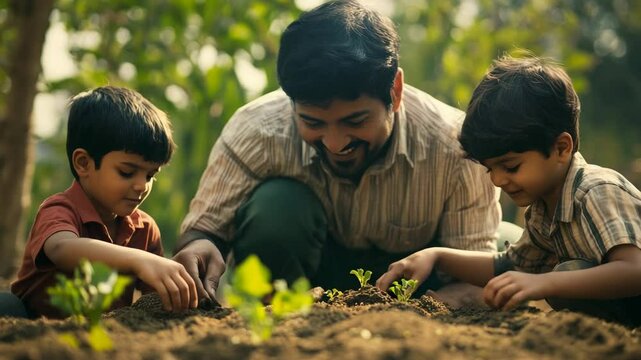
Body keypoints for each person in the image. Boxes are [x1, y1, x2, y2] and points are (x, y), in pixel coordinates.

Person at [173, 0, 502, 306]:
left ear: (395, 92)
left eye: (355, 120)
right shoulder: (257, 131)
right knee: (276, 206)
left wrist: (419, 314)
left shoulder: (454, 147)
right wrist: (199, 247)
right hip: (301, 286)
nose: (334, 142)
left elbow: (473, 275)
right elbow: (204, 231)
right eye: (313, 122)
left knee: (510, 250)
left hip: (416, 291)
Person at [376, 55, 641, 324]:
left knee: (571, 271)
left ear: (561, 148)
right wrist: (437, 256)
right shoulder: (543, 209)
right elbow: (509, 266)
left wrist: (547, 282)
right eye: (490, 169)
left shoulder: (596, 191)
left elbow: (635, 271)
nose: (497, 181)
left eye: (511, 167)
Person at [0, 86, 197, 318]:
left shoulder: (145, 229)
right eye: (127, 172)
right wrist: (139, 260)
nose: (142, 185)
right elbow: (61, 248)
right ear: (83, 163)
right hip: (34, 323)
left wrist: (182, 281)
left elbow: (154, 297)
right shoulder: (60, 210)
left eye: (150, 175)